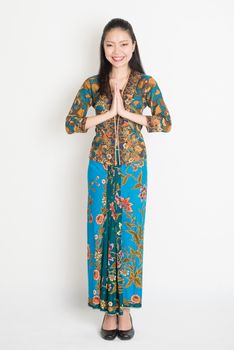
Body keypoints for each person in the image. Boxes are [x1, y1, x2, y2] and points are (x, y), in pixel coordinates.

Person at [65, 18, 172, 340]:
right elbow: (71, 124)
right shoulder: (92, 84)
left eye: (123, 44)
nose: (117, 51)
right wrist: (107, 113)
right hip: (100, 166)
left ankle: (123, 310)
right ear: (103, 47)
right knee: (100, 236)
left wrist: (126, 113)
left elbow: (165, 123)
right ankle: (106, 312)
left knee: (128, 237)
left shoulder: (145, 84)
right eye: (110, 44)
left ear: (133, 46)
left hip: (133, 167)